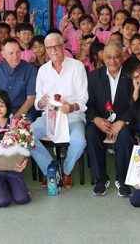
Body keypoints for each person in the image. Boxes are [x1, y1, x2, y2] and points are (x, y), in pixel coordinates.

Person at [31, 33, 88, 188]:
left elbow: (83, 98)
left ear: (63, 47)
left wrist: (72, 107)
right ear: (45, 50)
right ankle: (50, 169)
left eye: (57, 46)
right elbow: (37, 102)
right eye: (49, 47)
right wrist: (41, 102)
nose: (53, 50)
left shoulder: (77, 66)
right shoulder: (43, 70)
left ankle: (67, 171)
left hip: (73, 117)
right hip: (49, 117)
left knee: (79, 141)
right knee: (26, 136)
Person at [86, 42, 135, 197]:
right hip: (102, 120)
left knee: (125, 137)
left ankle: (123, 180)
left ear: (123, 57)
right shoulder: (94, 76)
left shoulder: (131, 76)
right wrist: (96, 119)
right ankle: (101, 178)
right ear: (102, 57)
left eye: (116, 57)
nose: (112, 61)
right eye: (108, 57)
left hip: (123, 121)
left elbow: (136, 104)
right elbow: (89, 104)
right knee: (90, 134)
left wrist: (122, 121)